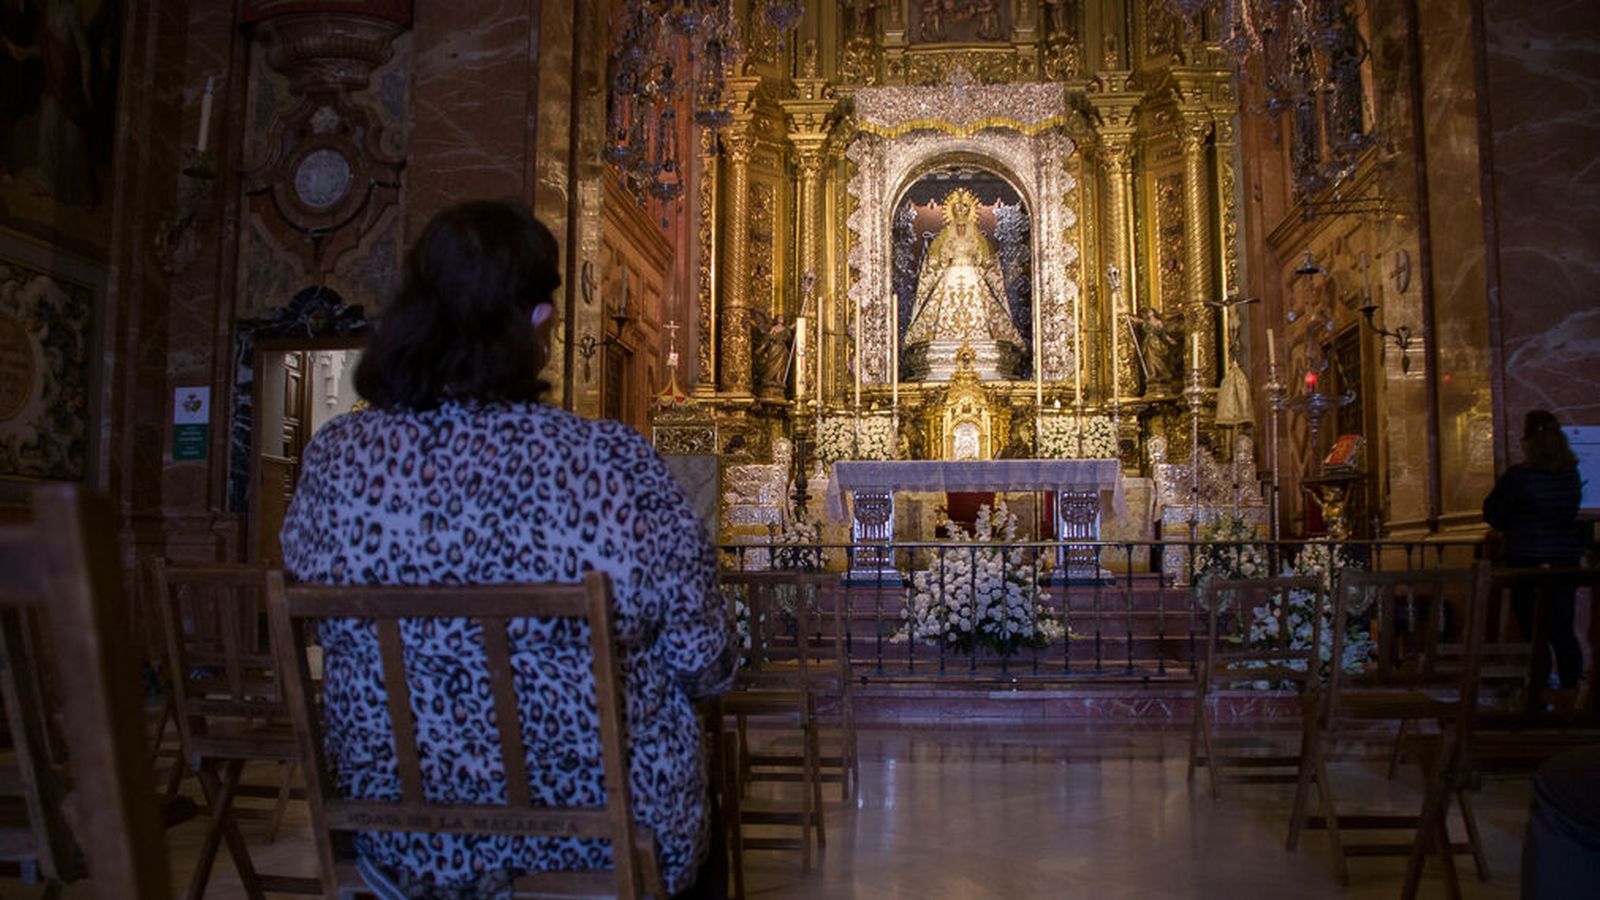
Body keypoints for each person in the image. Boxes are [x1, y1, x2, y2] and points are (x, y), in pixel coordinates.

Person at [280, 199, 735, 899]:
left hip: (406, 841)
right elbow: (705, 663)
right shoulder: (610, 463)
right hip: (601, 839)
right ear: (542, 323)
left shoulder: (334, 462)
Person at [1483, 409, 1584, 696]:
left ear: (1527, 441)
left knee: (1533, 627)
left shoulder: (1519, 476)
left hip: (1525, 557)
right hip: (1565, 558)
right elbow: (1571, 511)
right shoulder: (1571, 475)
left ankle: (1540, 682)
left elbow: (1494, 513)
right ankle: (1572, 687)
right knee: (1563, 626)